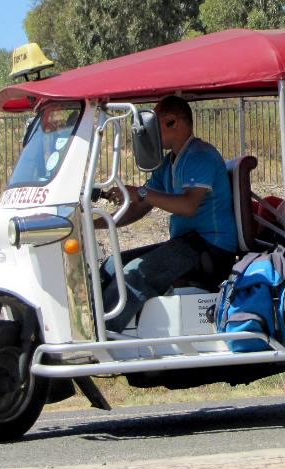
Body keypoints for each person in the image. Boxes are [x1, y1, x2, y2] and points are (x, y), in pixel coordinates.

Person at [101, 95, 237, 333]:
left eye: (155, 125)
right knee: (112, 265)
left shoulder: (200, 156)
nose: (149, 132)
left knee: (134, 275)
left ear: (173, 122)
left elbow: (188, 205)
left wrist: (141, 193)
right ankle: (93, 325)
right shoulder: (169, 163)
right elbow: (139, 207)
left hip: (211, 249)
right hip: (189, 244)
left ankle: (102, 335)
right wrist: (96, 223)